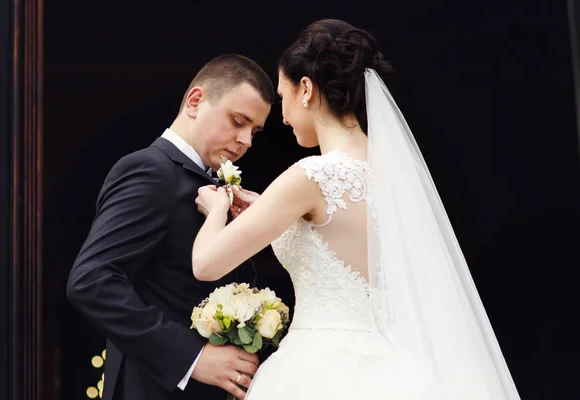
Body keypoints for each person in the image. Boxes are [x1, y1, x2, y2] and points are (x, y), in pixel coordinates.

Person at [192, 19, 522, 399]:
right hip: (397, 366)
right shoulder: (395, 175)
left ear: (305, 89)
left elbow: (206, 264)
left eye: (282, 95)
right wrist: (267, 209)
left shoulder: (311, 175)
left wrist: (217, 207)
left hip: (317, 370)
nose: (282, 117)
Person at [66, 54, 275, 400]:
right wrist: (191, 358)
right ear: (195, 101)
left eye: (254, 131)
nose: (247, 141)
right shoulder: (150, 171)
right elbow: (92, 281)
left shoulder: (216, 189)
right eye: (238, 121)